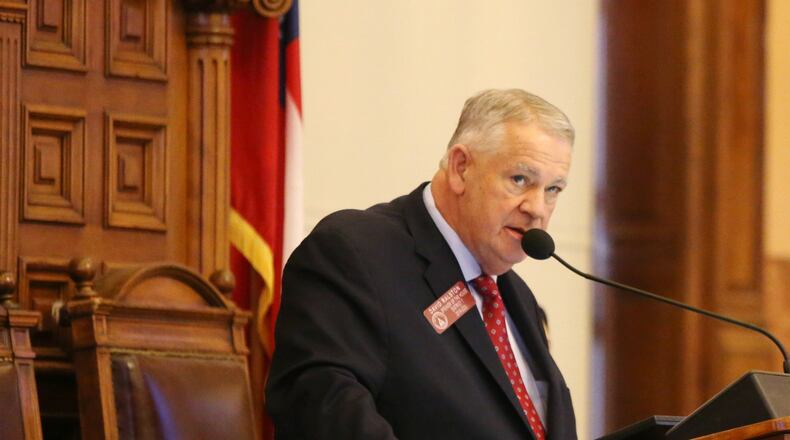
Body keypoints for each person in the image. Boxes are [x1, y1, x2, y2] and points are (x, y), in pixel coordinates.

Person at [266, 89, 577, 439]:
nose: (537, 208)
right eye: (520, 180)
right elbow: (322, 409)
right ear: (461, 168)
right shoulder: (356, 254)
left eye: (553, 190)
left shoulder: (517, 298)